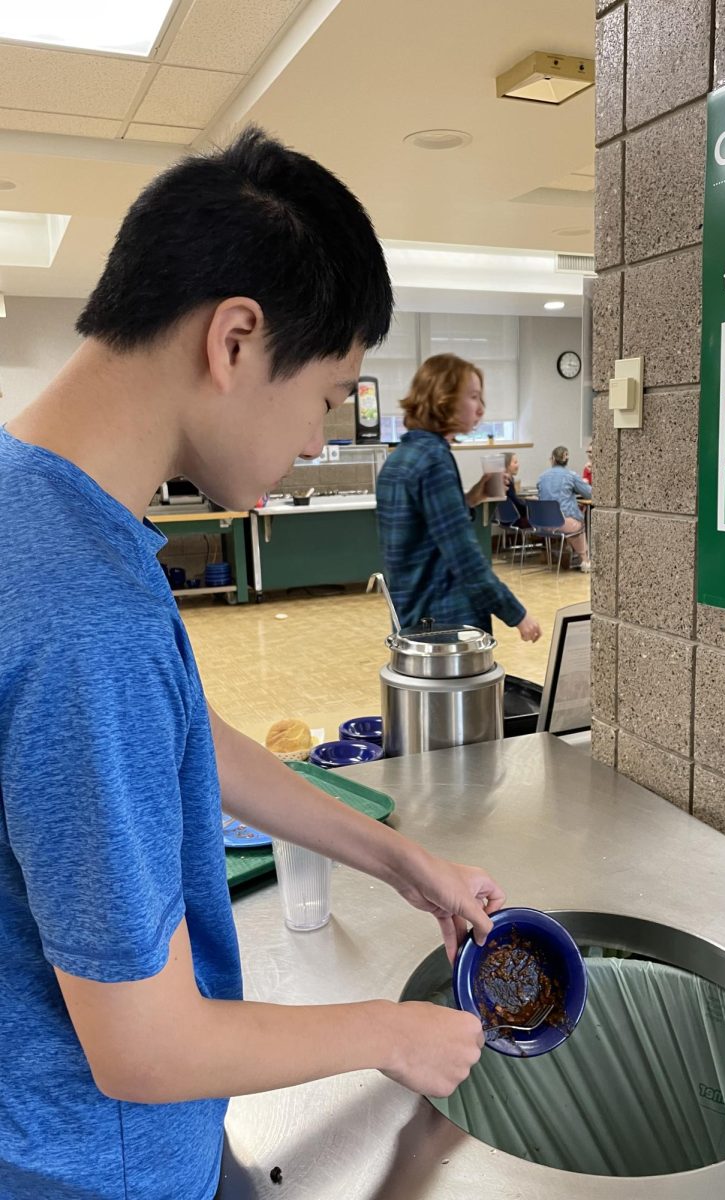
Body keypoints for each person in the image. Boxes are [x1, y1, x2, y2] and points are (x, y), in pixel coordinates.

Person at [0, 128, 505, 1200]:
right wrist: (393, 1032)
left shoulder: (33, 502)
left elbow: (189, 736)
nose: (322, 440)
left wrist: (398, 859)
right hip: (100, 1161)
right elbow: (143, 1048)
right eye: (327, 395)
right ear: (235, 340)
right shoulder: (89, 616)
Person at [376, 354, 541, 641]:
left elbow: (426, 531)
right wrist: (517, 614)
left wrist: (472, 497)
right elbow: (464, 557)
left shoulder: (400, 458)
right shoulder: (435, 459)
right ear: (444, 398)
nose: (481, 408)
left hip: (411, 616)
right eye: (473, 397)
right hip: (446, 621)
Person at [536, 445, 592, 572]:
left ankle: (565, 553)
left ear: (552, 459)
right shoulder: (571, 476)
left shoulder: (541, 477)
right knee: (578, 525)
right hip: (563, 523)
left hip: (543, 523)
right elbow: (589, 493)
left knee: (568, 523)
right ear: (566, 460)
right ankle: (585, 560)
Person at [503, 450, 528, 526]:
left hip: (503, 519)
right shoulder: (507, 483)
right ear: (507, 465)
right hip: (514, 520)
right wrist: (531, 504)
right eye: (515, 462)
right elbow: (517, 505)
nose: (518, 465)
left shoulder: (501, 482)